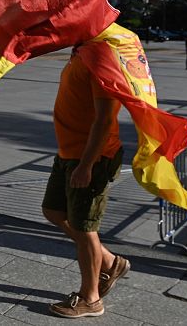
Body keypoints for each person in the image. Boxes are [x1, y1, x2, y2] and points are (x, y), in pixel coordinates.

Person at [42, 45, 129, 318]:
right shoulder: (80, 51)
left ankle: (91, 299)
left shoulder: (101, 54)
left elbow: (104, 119)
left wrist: (87, 165)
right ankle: (109, 261)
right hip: (68, 153)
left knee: (84, 227)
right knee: (53, 211)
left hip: (90, 157)